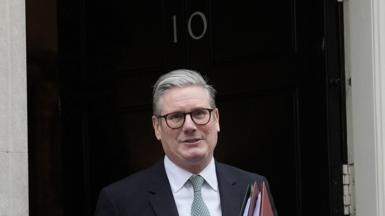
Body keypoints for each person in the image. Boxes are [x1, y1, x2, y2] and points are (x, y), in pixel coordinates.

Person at [94, 69, 278, 216]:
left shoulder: (253, 187)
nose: (189, 126)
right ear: (157, 127)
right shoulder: (120, 201)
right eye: (176, 116)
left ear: (216, 119)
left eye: (199, 113)